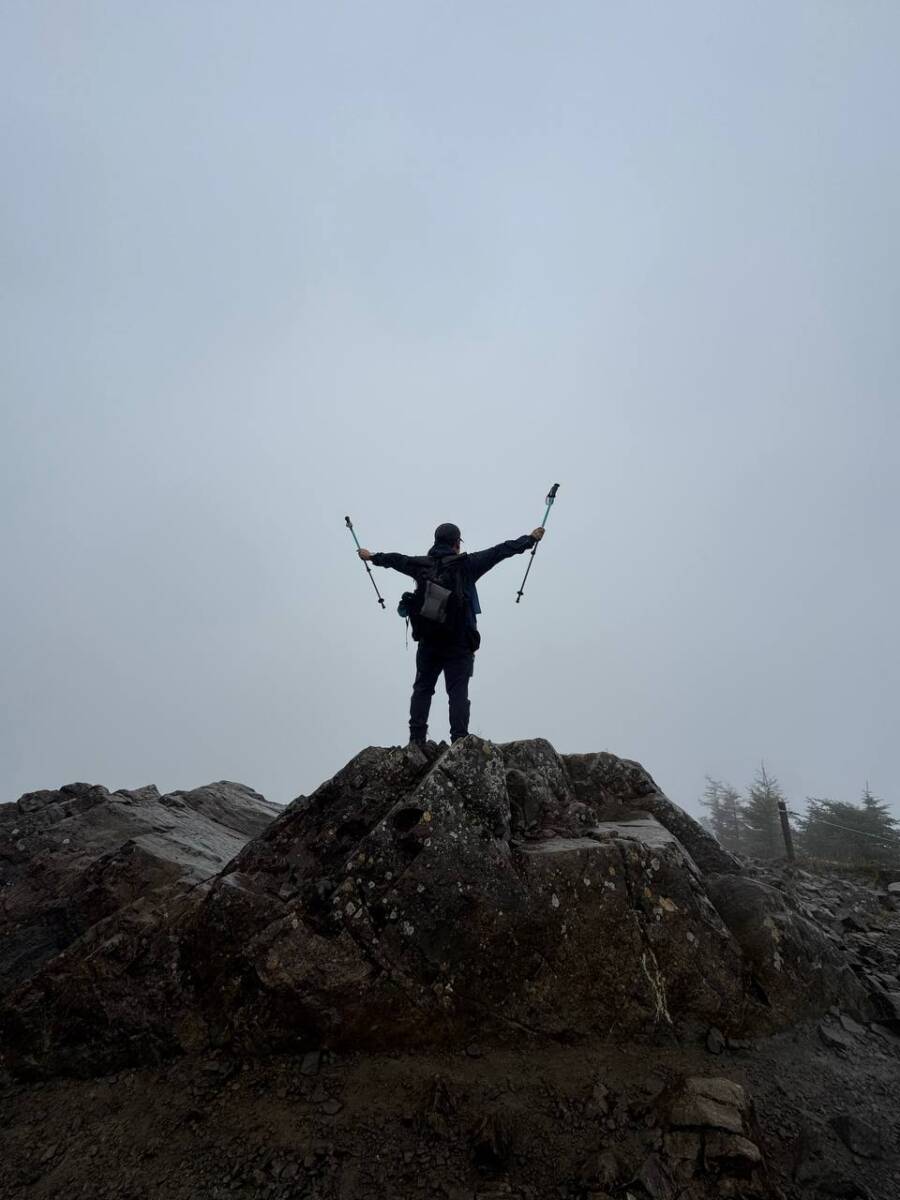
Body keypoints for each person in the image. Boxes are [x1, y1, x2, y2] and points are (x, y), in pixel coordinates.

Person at [357, 522, 545, 746]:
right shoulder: (467, 564)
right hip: (459, 641)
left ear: (436, 541)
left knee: (423, 688)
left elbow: (396, 560)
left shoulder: (420, 565)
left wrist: (371, 557)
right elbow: (500, 550)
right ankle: (459, 741)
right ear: (456, 543)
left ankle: (416, 740)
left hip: (428, 640)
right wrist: (530, 539)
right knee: (457, 692)